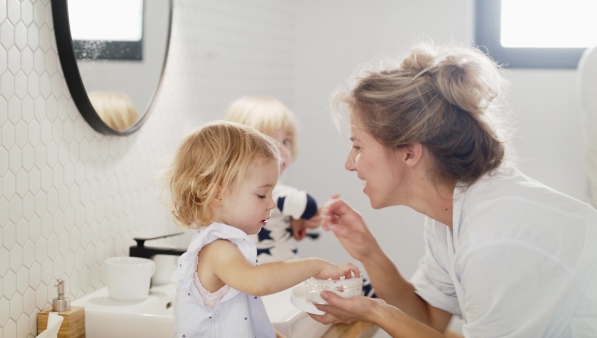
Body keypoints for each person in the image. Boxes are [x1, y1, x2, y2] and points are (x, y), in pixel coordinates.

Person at [311, 40, 597, 337]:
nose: (349, 163)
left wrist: (374, 310)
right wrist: (368, 252)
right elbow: (428, 320)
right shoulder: (450, 214)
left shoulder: (492, 237)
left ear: (409, 152)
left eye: (358, 146)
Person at [165, 121, 360, 338]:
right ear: (217, 194)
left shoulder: (225, 245)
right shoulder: (216, 249)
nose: (272, 204)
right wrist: (315, 266)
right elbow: (257, 282)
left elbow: (238, 317)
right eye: (261, 195)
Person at [224, 96, 321, 264]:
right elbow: (308, 205)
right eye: (270, 142)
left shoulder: (230, 191)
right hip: (278, 276)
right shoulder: (267, 191)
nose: (282, 151)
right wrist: (307, 213)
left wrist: (292, 221)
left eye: (286, 141)